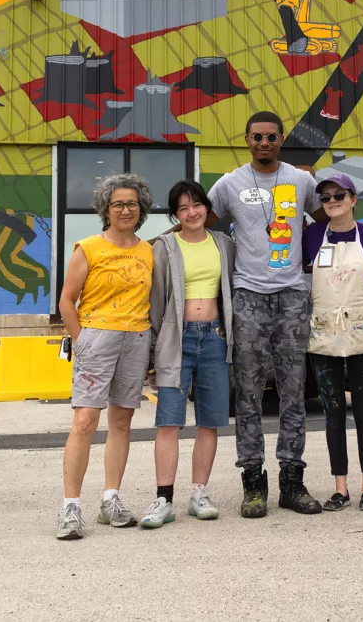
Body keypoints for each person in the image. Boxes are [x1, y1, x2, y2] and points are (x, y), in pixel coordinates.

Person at [206, 111, 324, 517]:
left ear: (281, 139)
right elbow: (199, 221)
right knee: (249, 393)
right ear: (247, 140)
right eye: (257, 137)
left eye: (271, 137)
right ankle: (253, 483)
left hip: (292, 295)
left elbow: (328, 216)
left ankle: (292, 481)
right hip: (248, 297)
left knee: (294, 391)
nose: (264, 143)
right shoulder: (229, 184)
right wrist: (156, 245)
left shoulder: (301, 182)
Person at [56, 173, 154, 540]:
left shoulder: (148, 251)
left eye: (132, 204)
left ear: (141, 209)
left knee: (122, 421)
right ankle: (70, 507)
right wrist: (81, 341)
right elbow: (66, 300)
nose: (126, 210)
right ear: (106, 209)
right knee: (85, 421)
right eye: (118, 204)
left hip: (136, 337)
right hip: (96, 337)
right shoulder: (88, 248)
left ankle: (110, 500)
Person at [140, 180, 235, 529]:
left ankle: (199, 493)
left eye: (197, 205)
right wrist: (154, 349)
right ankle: (164, 498)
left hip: (215, 338)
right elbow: (154, 301)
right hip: (175, 339)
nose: (192, 212)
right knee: (168, 419)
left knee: (210, 420)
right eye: (183, 208)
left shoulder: (224, 244)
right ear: (175, 215)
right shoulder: (164, 247)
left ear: (207, 208)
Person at [303, 173, 363, 512]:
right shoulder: (311, 236)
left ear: (354, 199)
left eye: (339, 195)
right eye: (326, 197)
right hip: (323, 333)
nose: (332, 201)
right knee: (333, 413)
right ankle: (340, 488)